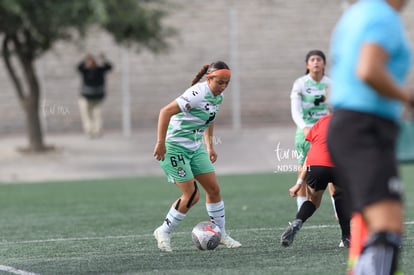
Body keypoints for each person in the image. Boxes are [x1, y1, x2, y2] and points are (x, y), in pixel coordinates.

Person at [328, 0, 413, 274]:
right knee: (387, 227)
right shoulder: (383, 16)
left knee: (376, 230)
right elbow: (368, 70)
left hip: (349, 126)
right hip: (365, 127)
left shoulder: (357, 13)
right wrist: (407, 98)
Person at [152, 61, 242, 252]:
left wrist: (210, 146)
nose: (223, 86)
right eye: (220, 82)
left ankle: (221, 233)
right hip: (174, 147)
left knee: (214, 189)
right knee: (192, 195)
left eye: (227, 82)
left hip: (195, 147)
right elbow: (165, 112)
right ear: (209, 79)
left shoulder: (218, 96)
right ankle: (163, 231)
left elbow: (209, 119)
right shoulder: (197, 94)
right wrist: (160, 143)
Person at [280, 114, 351, 248]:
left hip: (316, 164)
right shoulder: (350, 122)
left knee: (312, 201)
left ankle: (297, 222)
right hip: (337, 165)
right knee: (340, 196)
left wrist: (299, 183)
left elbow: (311, 154)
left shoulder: (321, 121)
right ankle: (347, 237)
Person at [290, 50, 335, 212]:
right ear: (307, 64)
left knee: (331, 168)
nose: (316, 62)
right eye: (312, 60)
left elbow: (336, 108)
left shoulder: (331, 83)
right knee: (303, 167)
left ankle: (338, 209)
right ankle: (301, 209)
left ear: (324, 64)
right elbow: (295, 110)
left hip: (327, 131)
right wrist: (305, 128)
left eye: (319, 59)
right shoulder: (300, 83)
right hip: (306, 131)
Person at [77, 53, 113, 138]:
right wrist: (85, 59)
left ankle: (97, 130)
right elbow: (78, 67)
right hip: (86, 97)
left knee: (97, 114)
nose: (91, 63)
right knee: (86, 115)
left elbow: (109, 67)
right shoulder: (86, 70)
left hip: (97, 97)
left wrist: (104, 59)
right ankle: (89, 130)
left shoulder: (99, 70)